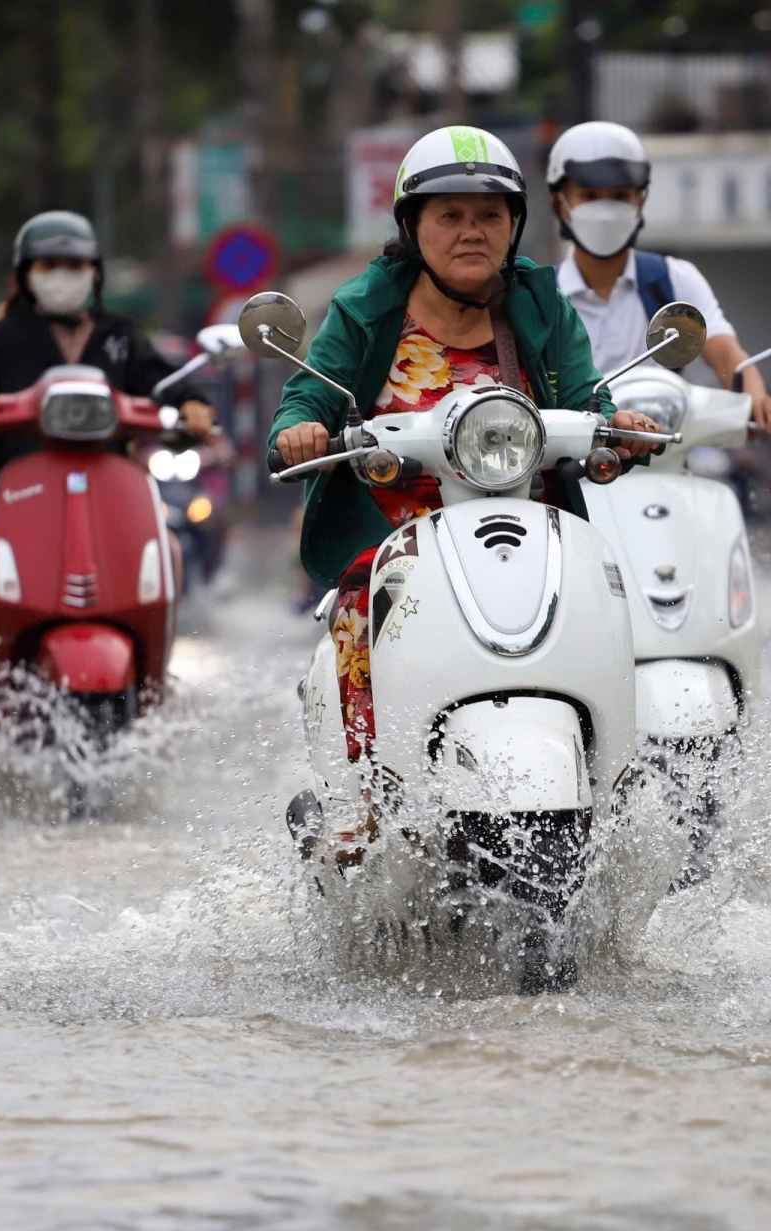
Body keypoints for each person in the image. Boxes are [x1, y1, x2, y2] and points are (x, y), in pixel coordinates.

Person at [270, 125, 665, 767]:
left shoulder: (539, 302)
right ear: (412, 227)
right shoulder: (366, 308)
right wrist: (299, 430)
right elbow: (308, 397)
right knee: (359, 598)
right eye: (449, 215)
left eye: (489, 214)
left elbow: (586, 395)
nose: (471, 231)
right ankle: (363, 797)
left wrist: (617, 424)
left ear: (514, 225)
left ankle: (614, 774)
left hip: (531, 530)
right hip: (395, 539)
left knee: (604, 588)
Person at [0, 210, 215, 676]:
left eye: (75, 266)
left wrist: (194, 402)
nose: (64, 276)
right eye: (49, 265)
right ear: (26, 274)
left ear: (94, 273)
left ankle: (159, 665)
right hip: (18, 487)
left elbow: (162, 381)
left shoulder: (119, 335)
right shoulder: (4, 336)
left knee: (170, 551)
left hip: (110, 483)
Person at [545, 120, 771, 434]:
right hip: (575, 471)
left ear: (641, 201)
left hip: (664, 455)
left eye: (620, 195)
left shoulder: (674, 280)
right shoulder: (540, 296)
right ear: (559, 204)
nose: (606, 209)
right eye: (590, 195)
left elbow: (725, 354)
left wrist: (756, 398)